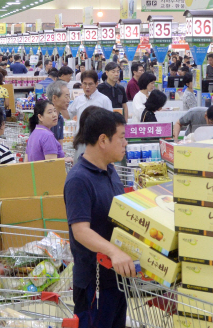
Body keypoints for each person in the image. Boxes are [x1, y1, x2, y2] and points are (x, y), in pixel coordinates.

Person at [64, 109, 133, 328]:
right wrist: (114, 252)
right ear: (103, 140)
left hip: (117, 278)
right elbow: (81, 231)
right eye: (121, 137)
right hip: (95, 284)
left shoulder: (110, 170)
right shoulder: (78, 180)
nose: (126, 142)